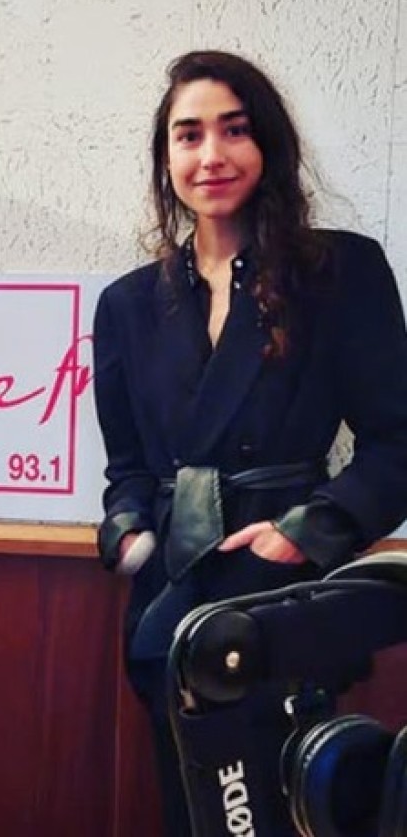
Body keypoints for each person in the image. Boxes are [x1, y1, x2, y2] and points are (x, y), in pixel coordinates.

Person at [92, 50, 407, 836]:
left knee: (278, 811)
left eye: (233, 130)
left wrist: (307, 531)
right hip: (170, 595)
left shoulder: (338, 271)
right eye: (187, 135)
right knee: (193, 810)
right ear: (165, 158)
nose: (210, 155)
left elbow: (397, 443)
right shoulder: (128, 304)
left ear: (266, 142)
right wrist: (125, 528)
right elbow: (127, 467)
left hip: (283, 595)